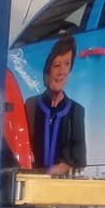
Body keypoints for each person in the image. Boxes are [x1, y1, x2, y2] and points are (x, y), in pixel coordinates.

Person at [25, 36, 86, 174]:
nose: (62, 72)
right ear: (47, 71)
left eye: (67, 64)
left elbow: (79, 160)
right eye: (57, 65)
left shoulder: (76, 111)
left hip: (60, 188)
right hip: (31, 183)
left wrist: (50, 173)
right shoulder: (31, 105)